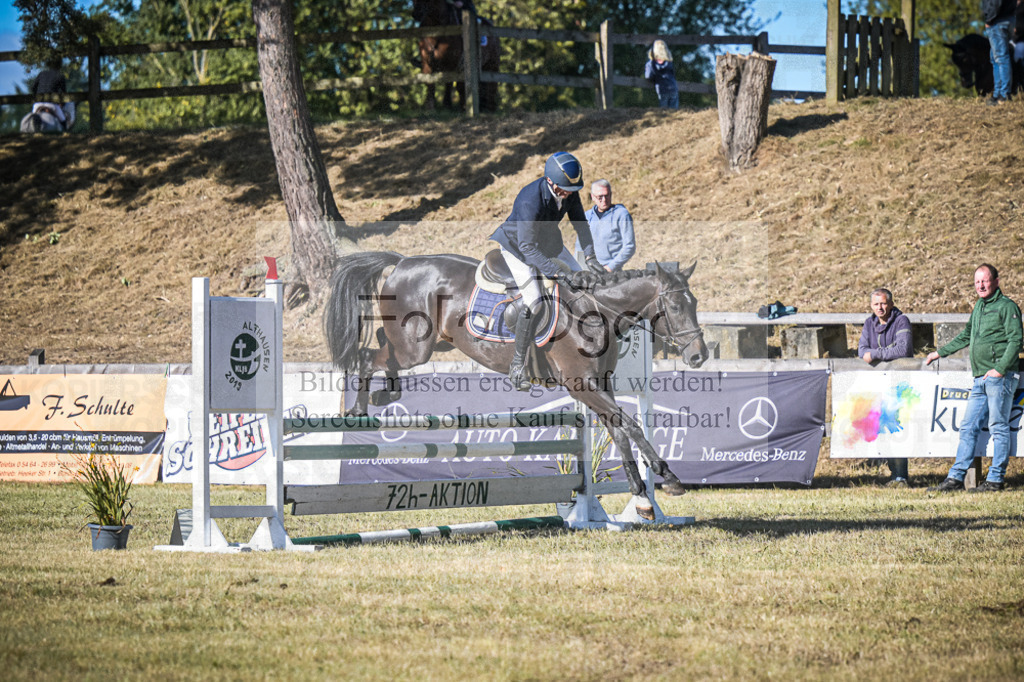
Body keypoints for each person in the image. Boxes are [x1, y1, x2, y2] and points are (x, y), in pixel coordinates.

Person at [489, 152, 606, 390]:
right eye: (564, 189)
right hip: (518, 249)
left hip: (548, 243)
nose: (569, 194)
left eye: (572, 190)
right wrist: (556, 272)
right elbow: (527, 247)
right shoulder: (529, 200)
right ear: (551, 182)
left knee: (584, 286)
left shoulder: (570, 191)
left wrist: (591, 257)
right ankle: (518, 364)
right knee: (534, 301)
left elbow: (581, 225)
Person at [926, 264, 1022, 493]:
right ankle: (956, 478)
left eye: (985, 281)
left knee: (998, 427)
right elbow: (967, 335)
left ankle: (995, 479)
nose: (980, 285)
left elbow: (1016, 340)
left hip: (1000, 378)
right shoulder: (979, 306)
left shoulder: (1006, 307)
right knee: (968, 426)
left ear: (996, 281)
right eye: (977, 281)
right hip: (979, 378)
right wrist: (940, 352)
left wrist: (999, 369)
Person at [857, 287, 914, 486]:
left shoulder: (901, 321)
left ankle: (901, 476)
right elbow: (861, 349)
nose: (880, 308)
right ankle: (893, 474)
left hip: (899, 382)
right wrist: (876, 352)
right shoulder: (868, 323)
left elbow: (903, 349)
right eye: (876, 304)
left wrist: (876, 354)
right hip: (877, 383)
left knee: (896, 427)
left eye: (883, 303)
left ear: (890, 303)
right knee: (883, 426)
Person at [574, 179, 635, 272]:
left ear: (611, 194)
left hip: (612, 273)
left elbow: (629, 246)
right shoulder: (586, 216)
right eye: (600, 197)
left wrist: (610, 267)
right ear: (592, 197)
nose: (604, 200)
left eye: (607, 195)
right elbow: (579, 247)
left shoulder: (621, 214)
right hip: (589, 271)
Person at [982, 0, 1017, 104]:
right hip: (1008, 18)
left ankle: (1004, 95)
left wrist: (989, 20)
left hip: (997, 21)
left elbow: (996, 2)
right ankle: (997, 94)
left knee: (1001, 58)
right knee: (995, 58)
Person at [29, 59, 75, 130]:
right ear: (59, 65)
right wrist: (61, 103)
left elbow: (33, 88)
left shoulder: (41, 73)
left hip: (38, 104)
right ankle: (65, 134)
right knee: (63, 122)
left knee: (31, 119)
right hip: (51, 105)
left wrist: (37, 98)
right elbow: (64, 94)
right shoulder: (60, 75)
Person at [644, 40, 679, 109]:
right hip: (673, 88)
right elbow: (673, 74)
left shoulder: (651, 64)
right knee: (674, 111)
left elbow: (648, 76)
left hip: (662, 89)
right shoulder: (669, 62)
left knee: (663, 112)